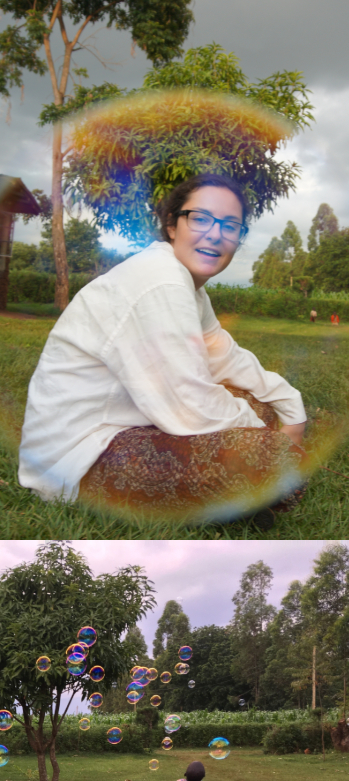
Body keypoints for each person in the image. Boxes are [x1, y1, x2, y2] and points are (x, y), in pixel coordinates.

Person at [18, 174, 309, 523]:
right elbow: (189, 403)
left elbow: (226, 359)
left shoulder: (185, 285)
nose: (215, 233)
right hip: (78, 455)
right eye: (200, 218)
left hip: (131, 420)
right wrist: (268, 438)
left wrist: (292, 407)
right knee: (267, 455)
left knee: (262, 404)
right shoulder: (161, 281)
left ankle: (234, 499)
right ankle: (236, 500)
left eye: (230, 225)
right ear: (172, 225)